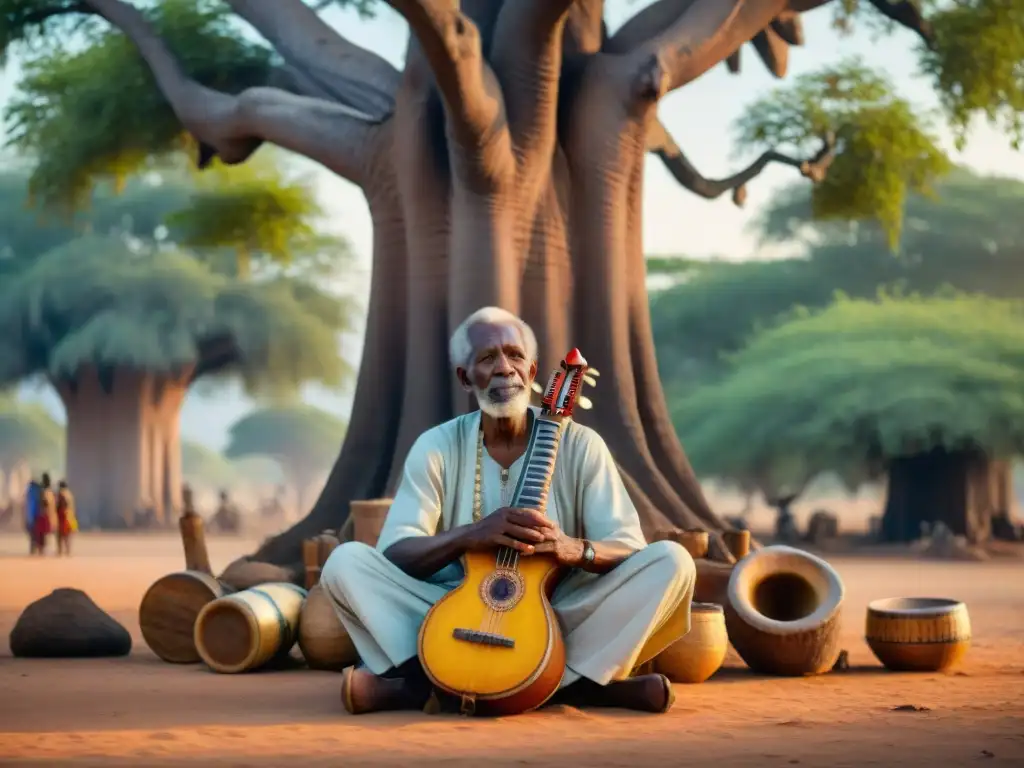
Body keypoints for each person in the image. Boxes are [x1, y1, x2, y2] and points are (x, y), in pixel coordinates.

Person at [321, 307, 696, 716]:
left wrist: (574, 549)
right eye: (487, 359)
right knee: (345, 562)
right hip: (451, 611)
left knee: (672, 562)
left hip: (558, 613)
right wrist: (469, 535)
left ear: (533, 372)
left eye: (515, 356)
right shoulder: (436, 446)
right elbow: (397, 553)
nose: (504, 369)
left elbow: (627, 548)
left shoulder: (582, 444)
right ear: (466, 377)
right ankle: (576, 689)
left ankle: (428, 690)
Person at [56, 480, 78, 556]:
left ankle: (60, 551)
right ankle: (68, 551)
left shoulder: (61, 494)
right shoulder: (70, 494)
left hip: (63, 517)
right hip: (71, 517)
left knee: (60, 535)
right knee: (68, 535)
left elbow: (61, 506)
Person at [25, 478, 41, 555]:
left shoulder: (30, 492)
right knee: (37, 534)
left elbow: (29, 507)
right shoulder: (38, 491)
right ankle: (38, 549)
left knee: (33, 535)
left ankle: (33, 549)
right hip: (38, 516)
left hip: (32, 516)